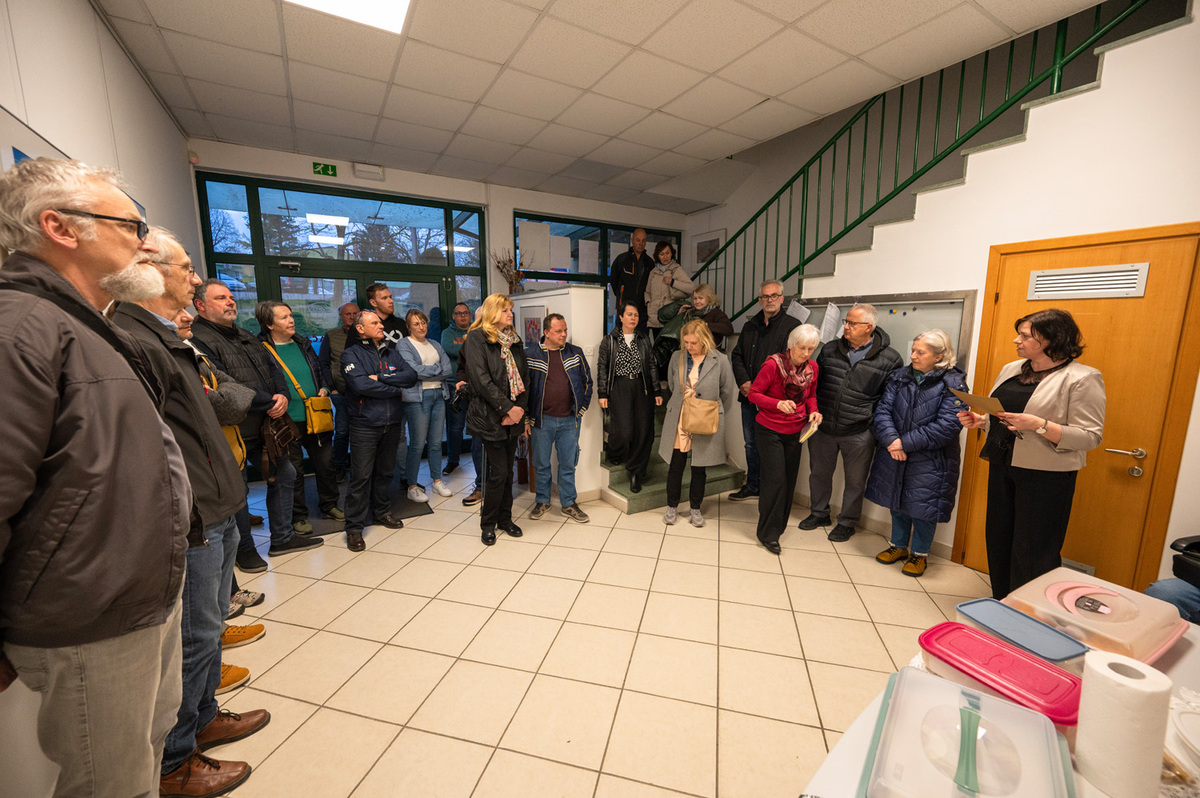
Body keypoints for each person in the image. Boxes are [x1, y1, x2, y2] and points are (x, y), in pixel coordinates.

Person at [0, 157, 190, 796]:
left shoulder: (89, 325)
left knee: (144, 755)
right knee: (109, 782)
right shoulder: (21, 326)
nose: (145, 243)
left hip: (136, 596)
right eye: (131, 225)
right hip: (89, 610)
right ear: (60, 228)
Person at [112, 229, 268, 796]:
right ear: (152, 273)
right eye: (186, 268)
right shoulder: (135, 341)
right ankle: (177, 759)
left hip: (218, 501)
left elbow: (224, 401)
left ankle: (204, 719)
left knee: (210, 627)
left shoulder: (169, 339)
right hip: (195, 512)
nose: (196, 279)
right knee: (196, 635)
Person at [959, 308, 1105, 599]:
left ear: (1051, 339)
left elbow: (1090, 436)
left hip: (1046, 475)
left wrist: (1040, 425)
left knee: (1034, 548)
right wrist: (982, 421)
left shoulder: (1082, 378)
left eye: (1025, 336)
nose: (1017, 340)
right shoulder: (1012, 369)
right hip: (1003, 462)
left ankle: (1030, 610)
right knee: (999, 537)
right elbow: (1006, 414)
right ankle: (1003, 601)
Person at [192, 280, 323, 569]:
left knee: (285, 473)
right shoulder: (198, 339)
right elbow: (223, 383)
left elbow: (274, 368)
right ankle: (245, 550)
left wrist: (282, 394)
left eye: (231, 297)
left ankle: (283, 538)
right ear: (200, 305)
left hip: (266, 425)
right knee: (237, 491)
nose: (230, 302)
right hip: (233, 427)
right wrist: (268, 401)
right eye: (221, 298)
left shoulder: (245, 334)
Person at [865, 330, 968, 577]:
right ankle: (898, 546)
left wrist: (903, 443)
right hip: (895, 451)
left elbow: (947, 425)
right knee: (897, 501)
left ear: (939, 356)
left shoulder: (953, 383)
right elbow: (882, 411)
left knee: (923, 507)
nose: (912, 356)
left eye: (920, 352)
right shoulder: (900, 376)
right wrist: (892, 440)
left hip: (931, 459)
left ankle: (919, 554)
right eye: (913, 350)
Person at [801, 303, 903, 541]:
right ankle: (819, 513)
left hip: (859, 430)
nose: (845, 327)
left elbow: (889, 400)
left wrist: (871, 424)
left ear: (869, 327)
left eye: (852, 323)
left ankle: (847, 522)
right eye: (845, 321)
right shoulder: (830, 349)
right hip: (824, 426)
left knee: (855, 481)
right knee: (819, 474)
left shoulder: (890, 359)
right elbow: (815, 385)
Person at [258, 300, 343, 531]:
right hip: (285, 420)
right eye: (284, 317)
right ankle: (298, 516)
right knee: (294, 470)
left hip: (315, 416)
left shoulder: (302, 343)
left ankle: (330, 505)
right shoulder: (261, 349)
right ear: (269, 324)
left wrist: (324, 386)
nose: (291, 320)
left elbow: (319, 369)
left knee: (326, 465)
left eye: (291, 315)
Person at [340, 310, 419, 551]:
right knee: (361, 477)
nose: (381, 326)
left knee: (385, 472)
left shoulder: (392, 353)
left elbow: (411, 376)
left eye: (380, 322)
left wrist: (382, 377)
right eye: (374, 322)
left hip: (392, 422)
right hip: (365, 424)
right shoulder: (350, 354)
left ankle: (381, 512)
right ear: (360, 329)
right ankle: (354, 527)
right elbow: (360, 384)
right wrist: (394, 388)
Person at [748, 324, 822, 554]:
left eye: (811, 349)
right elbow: (754, 394)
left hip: (795, 431)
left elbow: (811, 395)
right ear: (790, 346)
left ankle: (777, 528)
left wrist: (814, 411)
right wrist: (777, 403)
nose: (806, 353)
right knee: (776, 481)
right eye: (802, 348)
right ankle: (767, 534)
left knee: (789, 482)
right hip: (769, 430)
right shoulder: (773, 365)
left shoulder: (812, 368)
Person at [659, 320, 741, 527]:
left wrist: (706, 407)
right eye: (686, 342)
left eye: (693, 343)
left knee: (699, 466)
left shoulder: (720, 360)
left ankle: (695, 509)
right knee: (676, 464)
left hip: (704, 417)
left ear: (704, 340)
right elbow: (672, 385)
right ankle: (672, 507)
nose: (689, 346)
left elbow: (726, 391)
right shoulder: (677, 357)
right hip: (680, 418)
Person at [464, 293, 529, 545]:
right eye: (504, 310)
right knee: (499, 473)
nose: (510, 314)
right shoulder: (477, 338)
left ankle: (505, 519)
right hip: (490, 416)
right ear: (492, 312)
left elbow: (524, 379)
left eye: (510, 310)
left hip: (513, 416)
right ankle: (488, 523)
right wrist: (507, 409)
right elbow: (481, 381)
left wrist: (518, 411)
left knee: (508, 473)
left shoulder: (514, 340)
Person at [729, 280, 800, 501]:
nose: (769, 300)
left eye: (774, 295)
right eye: (765, 296)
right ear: (760, 300)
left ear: (782, 298)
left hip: (774, 402)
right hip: (749, 398)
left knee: (771, 447)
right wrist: (744, 382)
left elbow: (791, 363)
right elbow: (737, 356)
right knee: (751, 444)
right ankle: (753, 485)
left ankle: (770, 490)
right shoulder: (750, 325)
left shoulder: (792, 326)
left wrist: (761, 388)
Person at [525, 313, 594, 523]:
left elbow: (588, 382)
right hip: (541, 421)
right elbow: (524, 389)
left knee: (568, 465)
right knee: (541, 464)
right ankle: (542, 501)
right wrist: (526, 419)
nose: (564, 334)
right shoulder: (531, 355)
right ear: (546, 332)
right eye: (558, 331)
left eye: (565, 330)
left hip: (570, 420)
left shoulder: (575, 353)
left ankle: (569, 503)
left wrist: (582, 408)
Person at [597, 301, 663, 493]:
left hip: (642, 387)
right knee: (624, 431)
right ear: (621, 317)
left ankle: (636, 473)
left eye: (636, 315)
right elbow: (602, 368)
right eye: (629, 314)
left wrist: (657, 390)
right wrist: (602, 393)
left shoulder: (643, 339)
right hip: (619, 387)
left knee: (644, 431)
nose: (633, 318)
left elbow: (651, 365)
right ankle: (614, 450)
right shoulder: (609, 341)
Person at [397, 308, 455, 502]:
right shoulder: (404, 344)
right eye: (416, 324)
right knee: (417, 444)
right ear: (409, 326)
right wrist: (436, 370)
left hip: (439, 395)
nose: (421, 327)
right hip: (417, 398)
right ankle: (412, 486)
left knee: (436, 443)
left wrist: (428, 372)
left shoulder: (435, 344)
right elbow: (414, 372)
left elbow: (448, 370)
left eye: (423, 323)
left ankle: (437, 481)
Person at [319, 301, 360, 479]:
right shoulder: (331, 335)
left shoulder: (366, 334)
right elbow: (323, 364)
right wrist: (332, 388)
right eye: (347, 314)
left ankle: (360, 468)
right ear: (341, 316)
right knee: (342, 432)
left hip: (364, 394)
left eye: (354, 314)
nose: (351, 317)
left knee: (361, 433)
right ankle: (340, 467)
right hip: (340, 392)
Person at [440, 302, 473, 475]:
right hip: (455, 386)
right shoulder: (447, 333)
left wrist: (464, 348)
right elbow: (449, 349)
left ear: (470, 315)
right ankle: (453, 460)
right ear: (453, 316)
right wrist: (473, 348)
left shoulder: (476, 330)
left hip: (475, 385)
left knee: (477, 425)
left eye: (465, 313)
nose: (462, 316)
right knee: (456, 426)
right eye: (459, 313)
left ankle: (480, 461)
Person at [607, 228, 654, 332]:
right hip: (624, 308)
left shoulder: (649, 263)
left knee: (641, 338)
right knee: (622, 337)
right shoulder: (622, 259)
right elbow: (614, 281)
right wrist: (622, 295)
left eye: (643, 240)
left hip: (642, 310)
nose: (641, 243)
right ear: (632, 240)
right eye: (638, 240)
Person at [645, 241, 694, 338]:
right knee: (656, 344)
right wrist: (648, 304)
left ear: (672, 253)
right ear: (657, 255)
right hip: (655, 317)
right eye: (661, 254)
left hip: (670, 317)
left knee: (668, 345)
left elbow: (691, 288)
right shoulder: (653, 272)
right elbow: (647, 292)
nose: (665, 257)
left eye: (667, 253)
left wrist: (672, 282)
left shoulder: (676, 269)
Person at [680, 283, 734, 350]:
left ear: (709, 299)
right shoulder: (691, 312)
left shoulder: (716, 313)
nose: (697, 301)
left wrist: (705, 325)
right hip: (690, 350)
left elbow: (728, 329)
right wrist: (680, 315)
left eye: (701, 298)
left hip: (710, 352)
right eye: (695, 298)